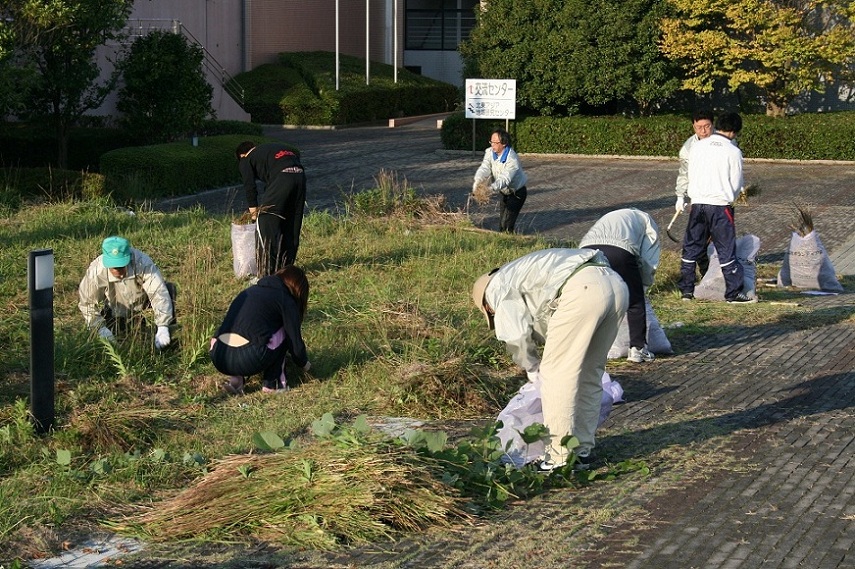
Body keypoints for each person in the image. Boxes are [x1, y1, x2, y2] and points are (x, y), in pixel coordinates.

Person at [471, 248, 628, 470]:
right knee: (590, 374)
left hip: (581, 289)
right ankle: (582, 451)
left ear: (486, 306)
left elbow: (516, 335)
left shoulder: (496, 289)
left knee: (555, 376)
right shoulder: (518, 272)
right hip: (615, 284)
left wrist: (533, 369)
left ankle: (558, 458)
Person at [679, 111, 754, 303]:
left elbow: (690, 174)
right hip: (720, 207)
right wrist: (731, 197)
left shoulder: (696, 147)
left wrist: (685, 196)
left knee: (691, 247)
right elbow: (737, 183)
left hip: (697, 204)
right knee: (725, 250)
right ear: (734, 131)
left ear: (717, 125)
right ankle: (733, 293)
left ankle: (686, 291)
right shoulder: (733, 151)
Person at [210, 265, 311, 395]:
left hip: (218, 354)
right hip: (249, 357)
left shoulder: (250, 291)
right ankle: (273, 384)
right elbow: (294, 342)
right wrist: (304, 364)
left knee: (247, 331)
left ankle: (236, 381)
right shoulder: (285, 299)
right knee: (284, 332)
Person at [579, 208, 661, 363]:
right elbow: (649, 258)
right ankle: (638, 349)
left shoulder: (611, 216)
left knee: (592, 299)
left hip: (586, 252)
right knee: (634, 301)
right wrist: (643, 285)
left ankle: (586, 348)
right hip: (619, 250)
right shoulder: (647, 222)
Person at [78, 236, 175, 349]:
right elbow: (86, 303)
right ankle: (120, 322)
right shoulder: (96, 272)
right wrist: (99, 328)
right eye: (114, 268)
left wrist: (163, 325)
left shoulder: (142, 262)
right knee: (118, 335)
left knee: (169, 289)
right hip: (115, 308)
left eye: (121, 266)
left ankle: (167, 334)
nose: (118, 272)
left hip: (144, 303)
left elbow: (158, 292)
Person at [236, 141, 307, 276]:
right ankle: (287, 267)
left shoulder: (246, 159)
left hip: (282, 177)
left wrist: (254, 215)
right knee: (291, 221)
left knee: (266, 221)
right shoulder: (270, 149)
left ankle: (267, 271)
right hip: (300, 175)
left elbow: (250, 187)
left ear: (242, 155)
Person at [675, 110, 715, 277]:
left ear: (713, 125)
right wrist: (680, 195)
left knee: (721, 240)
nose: (703, 131)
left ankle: (723, 273)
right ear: (693, 127)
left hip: (720, 198)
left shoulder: (722, 143)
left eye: (707, 126)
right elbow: (684, 173)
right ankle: (706, 274)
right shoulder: (688, 148)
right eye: (699, 127)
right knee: (698, 240)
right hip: (699, 199)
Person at [472, 128, 528, 233]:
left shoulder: (512, 160)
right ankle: (505, 239)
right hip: (504, 192)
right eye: (491, 141)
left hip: (517, 193)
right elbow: (485, 167)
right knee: (502, 222)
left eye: (495, 142)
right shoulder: (489, 152)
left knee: (506, 224)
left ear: (504, 143)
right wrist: (478, 180)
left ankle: (508, 241)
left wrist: (490, 189)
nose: (492, 144)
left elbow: (504, 179)